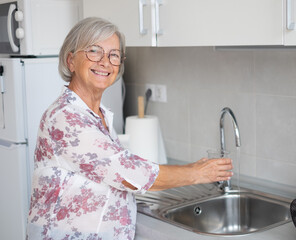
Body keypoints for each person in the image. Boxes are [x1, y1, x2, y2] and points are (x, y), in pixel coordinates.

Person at [27, 17, 233, 240]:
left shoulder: (99, 114)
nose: (105, 62)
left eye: (114, 55)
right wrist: (196, 173)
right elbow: (129, 173)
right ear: (71, 61)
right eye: (94, 51)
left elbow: (110, 173)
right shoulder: (65, 119)